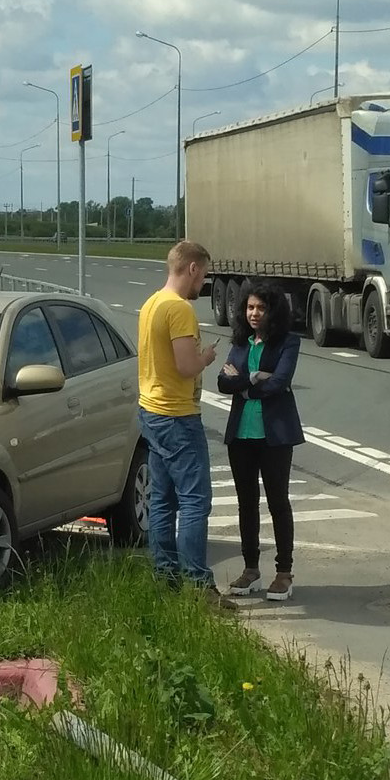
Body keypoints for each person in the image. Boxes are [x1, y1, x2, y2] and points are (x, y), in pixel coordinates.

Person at [137, 240, 220, 589]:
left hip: (151, 409)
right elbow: (186, 366)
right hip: (177, 414)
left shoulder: (151, 303)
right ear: (192, 269)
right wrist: (207, 358)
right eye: (204, 275)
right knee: (195, 500)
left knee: (162, 499)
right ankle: (198, 583)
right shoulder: (180, 309)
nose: (204, 283)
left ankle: (165, 575)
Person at [218, 278, 304, 601]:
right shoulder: (241, 342)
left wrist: (242, 383)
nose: (254, 313)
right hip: (241, 435)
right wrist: (253, 379)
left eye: (261, 308)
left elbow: (280, 383)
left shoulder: (288, 343)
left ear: (273, 312)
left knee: (278, 502)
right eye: (250, 307)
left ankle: (284, 572)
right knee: (245, 503)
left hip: (275, 436)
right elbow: (221, 382)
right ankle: (251, 569)